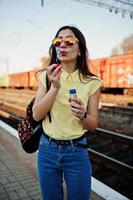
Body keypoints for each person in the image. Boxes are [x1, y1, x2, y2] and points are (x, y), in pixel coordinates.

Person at [32, 25, 103, 200]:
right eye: (58, 41)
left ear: (80, 50)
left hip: (76, 151)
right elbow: (36, 115)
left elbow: (93, 124)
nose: (62, 45)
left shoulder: (92, 82)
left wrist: (83, 115)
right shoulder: (45, 76)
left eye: (69, 41)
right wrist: (54, 87)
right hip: (47, 149)